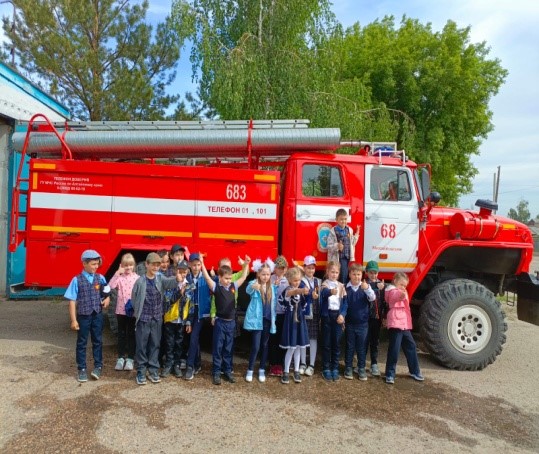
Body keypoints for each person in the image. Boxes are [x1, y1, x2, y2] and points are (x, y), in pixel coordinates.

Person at [131, 252, 181, 385]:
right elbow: (134, 298)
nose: (156, 267)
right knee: (141, 345)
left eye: (158, 265)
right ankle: (141, 370)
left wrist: (177, 279)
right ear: (146, 265)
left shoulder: (160, 278)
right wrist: (138, 313)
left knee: (155, 344)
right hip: (143, 318)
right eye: (153, 264)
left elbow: (170, 283)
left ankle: (153, 369)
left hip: (157, 318)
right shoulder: (140, 281)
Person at [200, 254, 250, 385]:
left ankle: (227, 371)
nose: (228, 280)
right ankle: (216, 372)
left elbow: (244, 276)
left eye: (229, 278)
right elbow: (206, 277)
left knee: (228, 348)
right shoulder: (216, 287)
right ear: (220, 277)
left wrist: (246, 264)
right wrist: (202, 263)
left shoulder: (234, 286)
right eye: (226, 278)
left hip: (231, 323)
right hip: (220, 323)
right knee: (218, 348)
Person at [65, 250, 110, 383]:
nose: (96, 266)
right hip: (83, 316)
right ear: (84, 263)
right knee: (82, 342)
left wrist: (107, 299)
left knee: (98, 341)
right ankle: (82, 369)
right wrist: (73, 320)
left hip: (97, 315)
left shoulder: (101, 278)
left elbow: (106, 292)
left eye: (97, 264)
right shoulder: (76, 280)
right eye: (93, 264)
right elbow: (72, 301)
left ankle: (98, 366)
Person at [384, 272, 424, 384]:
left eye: (405, 285)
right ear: (395, 281)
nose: (403, 287)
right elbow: (392, 299)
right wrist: (400, 295)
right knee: (394, 350)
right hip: (396, 323)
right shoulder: (392, 291)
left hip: (404, 324)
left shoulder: (401, 291)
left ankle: (415, 371)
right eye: (401, 284)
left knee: (411, 346)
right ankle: (390, 374)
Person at [244, 259, 277, 383]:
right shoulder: (254, 283)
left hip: (267, 320)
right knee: (256, 346)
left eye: (268, 274)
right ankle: (250, 369)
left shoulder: (272, 287)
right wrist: (254, 286)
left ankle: (262, 369)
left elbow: (273, 304)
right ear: (258, 274)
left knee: (265, 345)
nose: (265, 277)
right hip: (257, 321)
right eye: (263, 274)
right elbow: (248, 290)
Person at [161, 262, 194, 378]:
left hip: (181, 320)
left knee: (179, 343)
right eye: (180, 271)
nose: (182, 274)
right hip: (170, 318)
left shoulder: (190, 285)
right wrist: (179, 293)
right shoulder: (171, 283)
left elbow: (191, 305)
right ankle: (168, 364)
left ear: (187, 272)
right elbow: (167, 302)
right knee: (169, 343)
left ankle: (177, 365)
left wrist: (189, 321)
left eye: (184, 272)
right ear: (176, 271)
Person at [343, 263, 376, 380]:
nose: (356, 277)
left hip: (363, 324)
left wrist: (366, 289)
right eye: (354, 274)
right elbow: (343, 305)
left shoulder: (365, 286)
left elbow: (373, 298)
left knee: (361, 347)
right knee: (350, 346)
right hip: (350, 323)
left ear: (362, 275)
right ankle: (348, 367)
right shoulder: (345, 288)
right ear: (349, 275)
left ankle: (361, 368)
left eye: (358, 274)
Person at [108, 253, 139, 372]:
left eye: (130, 265)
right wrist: (117, 273)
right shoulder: (119, 278)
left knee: (131, 334)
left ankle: (130, 358)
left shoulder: (137, 278)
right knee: (121, 334)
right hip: (120, 311)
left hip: (132, 312)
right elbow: (110, 286)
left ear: (134, 265)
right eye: (125, 265)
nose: (128, 268)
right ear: (122, 265)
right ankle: (120, 358)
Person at [184, 252, 212, 380]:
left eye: (198, 265)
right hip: (189, 311)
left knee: (194, 336)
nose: (196, 267)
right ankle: (197, 363)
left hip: (201, 312)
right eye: (193, 265)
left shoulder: (205, 278)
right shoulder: (187, 278)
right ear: (189, 265)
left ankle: (190, 366)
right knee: (193, 337)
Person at [279, 267, 310, 384]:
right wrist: (301, 290)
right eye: (295, 280)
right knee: (291, 348)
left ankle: (296, 370)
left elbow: (305, 300)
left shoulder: (300, 290)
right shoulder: (288, 290)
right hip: (291, 320)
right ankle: (286, 371)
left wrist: (310, 294)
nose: (297, 282)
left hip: (299, 320)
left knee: (298, 347)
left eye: (299, 280)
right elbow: (292, 293)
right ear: (290, 280)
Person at [319, 261, 347, 381]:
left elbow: (345, 303)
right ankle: (325, 368)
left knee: (336, 343)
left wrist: (342, 314)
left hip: (337, 316)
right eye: (332, 272)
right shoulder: (324, 284)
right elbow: (324, 293)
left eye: (336, 272)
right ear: (327, 272)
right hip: (327, 315)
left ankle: (334, 367)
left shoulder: (341, 286)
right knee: (326, 343)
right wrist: (330, 292)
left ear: (339, 273)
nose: (334, 274)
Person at [299, 255, 321, 376]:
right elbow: (303, 292)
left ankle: (311, 364)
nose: (311, 270)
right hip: (305, 313)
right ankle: (303, 363)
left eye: (312, 268)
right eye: (308, 268)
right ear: (304, 268)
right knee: (303, 338)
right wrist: (310, 295)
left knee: (313, 339)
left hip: (315, 314)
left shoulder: (318, 281)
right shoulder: (301, 281)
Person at [326, 208, 360, 283]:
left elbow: (352, 243)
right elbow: (328, 246)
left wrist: (357, 234)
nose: (343, 221)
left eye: (345, 219)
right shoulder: (333, 231)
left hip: (347, 257)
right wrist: (337, 246)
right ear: (336, 220)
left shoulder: (349, 230)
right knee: (340, 275)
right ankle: (342, 287)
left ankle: (342, 287)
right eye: (341, 219)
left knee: (344, 274)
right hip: (338, 258)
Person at [364, 260, 386, 377]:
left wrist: (384, 317)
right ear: (367, 273)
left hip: (377, 318)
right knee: (364, 341)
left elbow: (384, 302)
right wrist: (375, 286)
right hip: (365, 317)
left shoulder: (382, 285)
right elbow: (366, 288)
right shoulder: (365, 283)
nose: (374, 275)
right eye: (371, 273)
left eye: (375, 273)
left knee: (375, 341)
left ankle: (374, 363)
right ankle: (361, 364)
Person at [268, 255, 289, 377]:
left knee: (282, 339)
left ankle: (281, 364)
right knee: (273, 340)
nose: (280, 270)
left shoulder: (287, 281)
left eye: (283, 268)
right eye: (278, 268)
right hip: (272, 314)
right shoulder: (270, 279)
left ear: (286, 269)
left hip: (283, 314)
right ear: (274, 268)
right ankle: (272, 364)